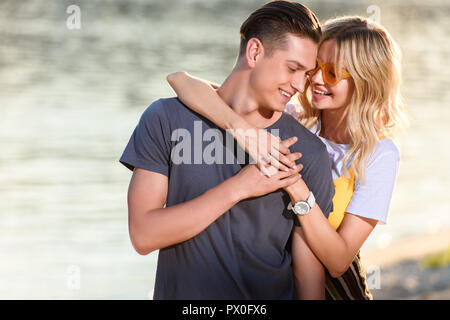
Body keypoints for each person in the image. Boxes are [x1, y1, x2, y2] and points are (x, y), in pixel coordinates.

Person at [166, 15, 407, 299]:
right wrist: (242, 129)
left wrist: (296, 185)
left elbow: (339, 260)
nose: (315, 79)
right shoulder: (292, 118)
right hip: (271, 279)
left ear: (366, 80)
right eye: (313, 68)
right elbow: (181, 81)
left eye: (332, 73)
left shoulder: (378, 153)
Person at [119, 1, 335, 300]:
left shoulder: (307, 153)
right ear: (255, 52)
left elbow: (308, 273)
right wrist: (239, 187)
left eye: (306, 73)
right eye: (293, 68)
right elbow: (143, 235)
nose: (300, 85)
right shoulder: (167, 119)